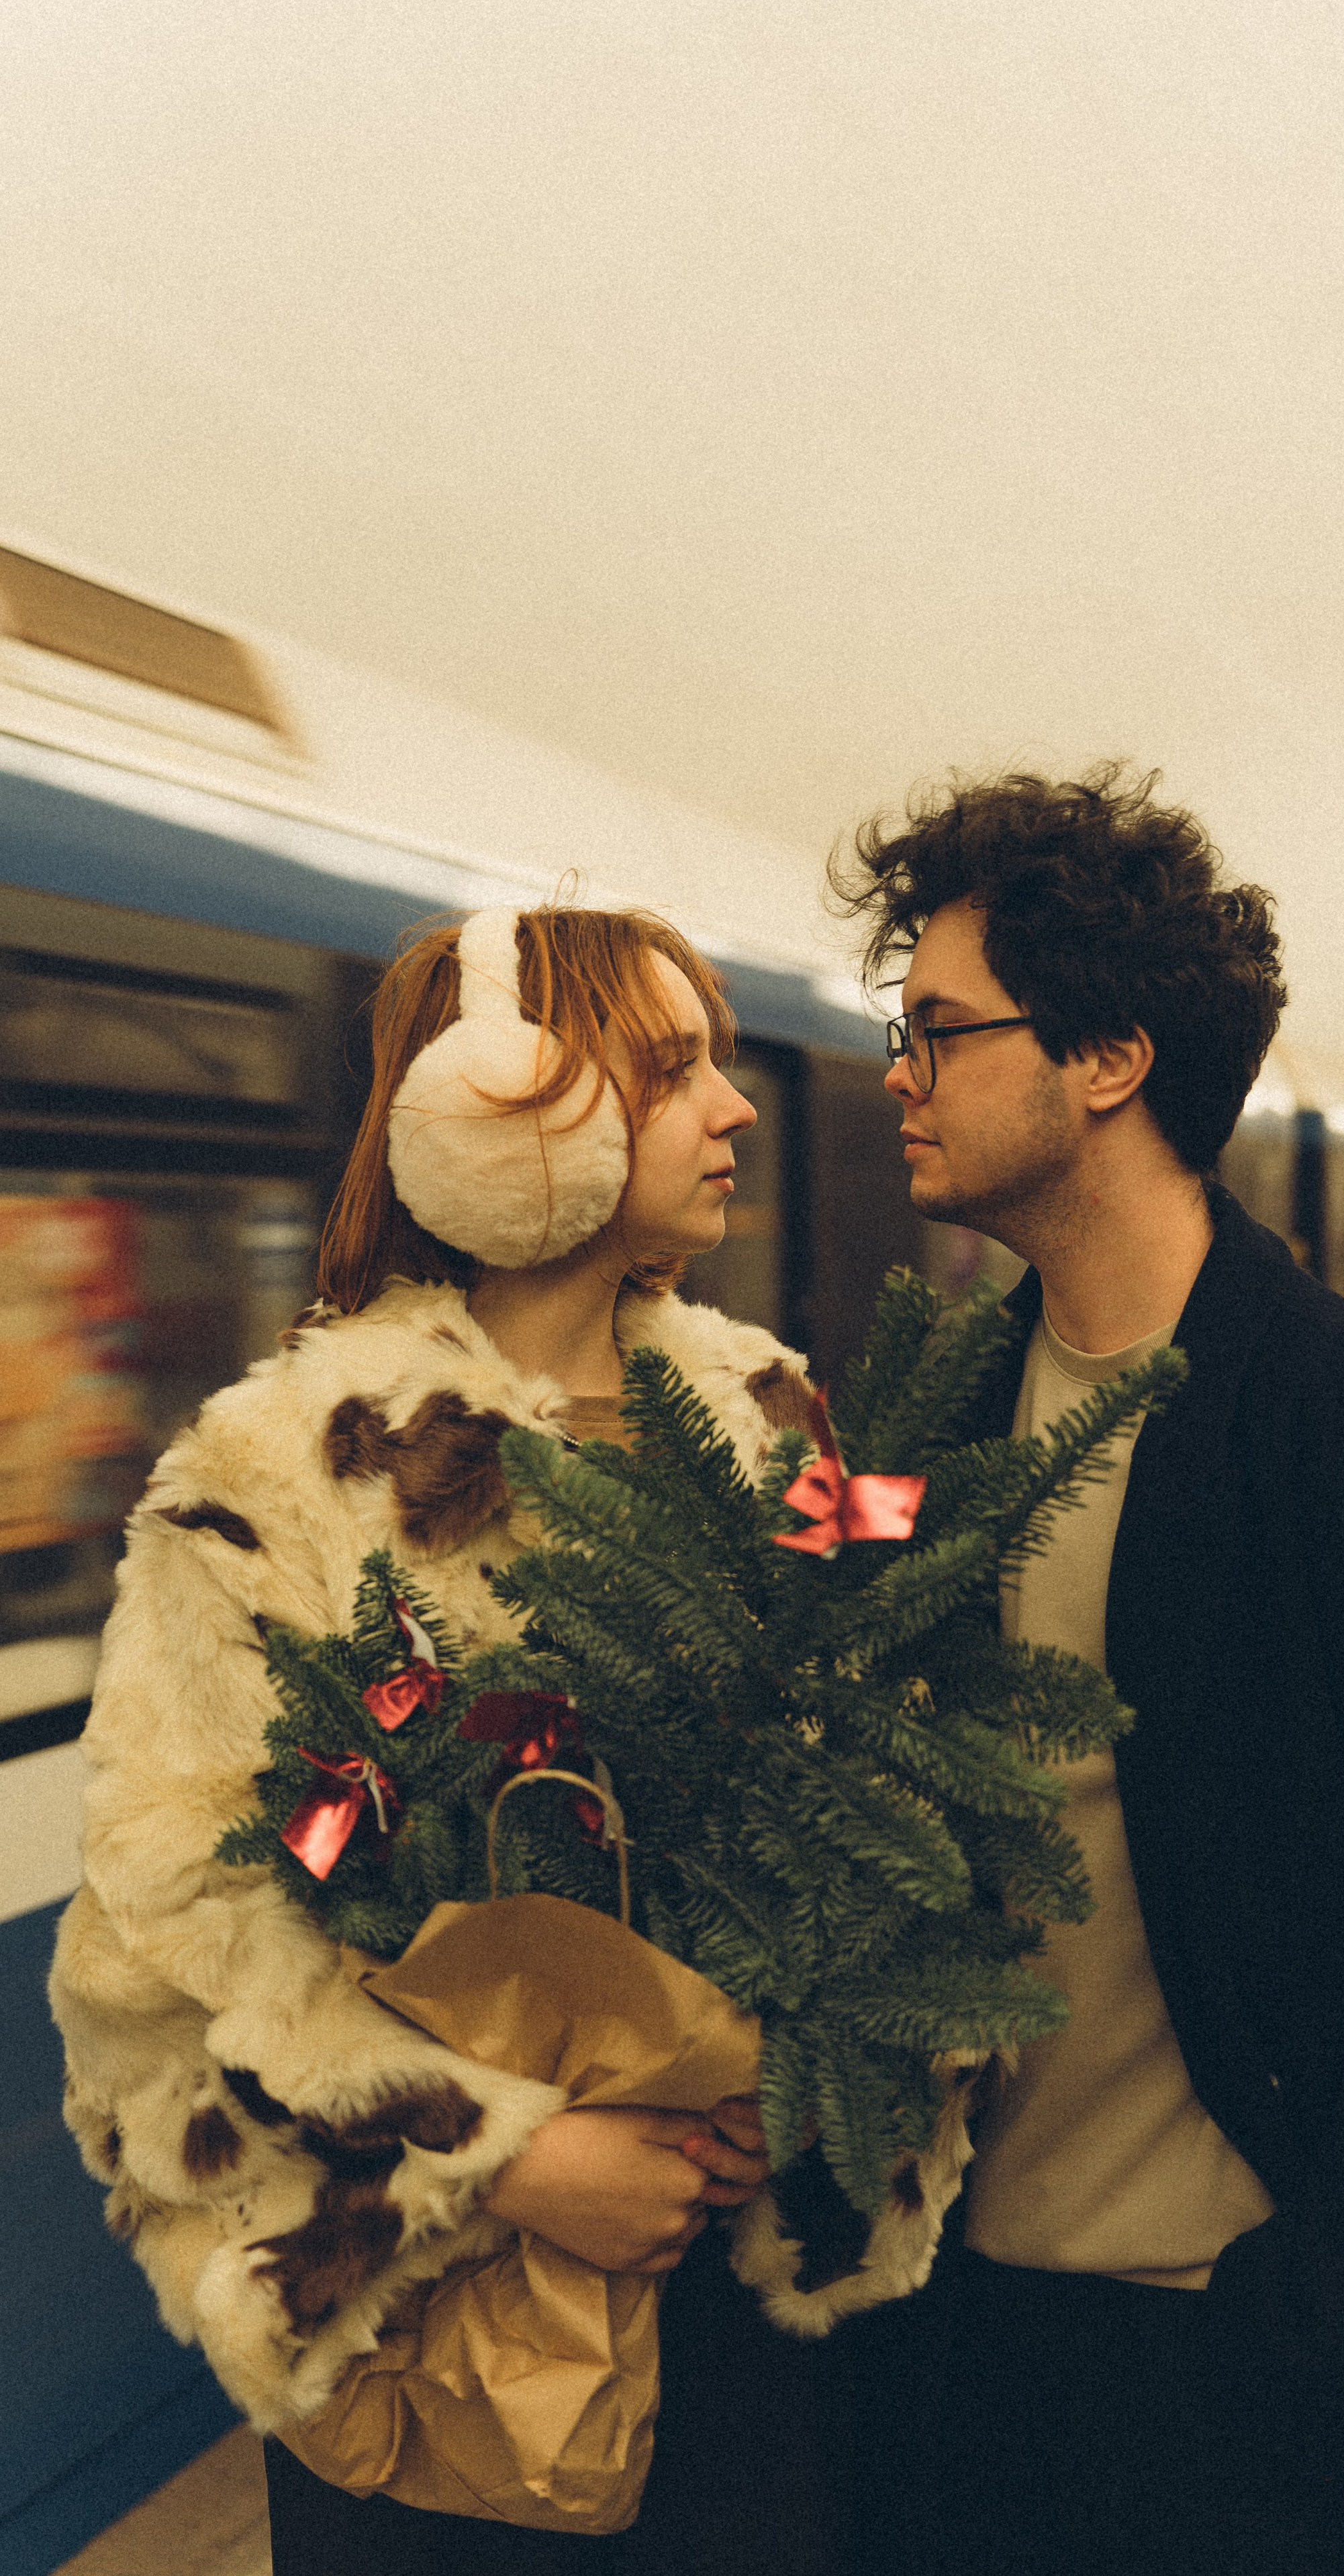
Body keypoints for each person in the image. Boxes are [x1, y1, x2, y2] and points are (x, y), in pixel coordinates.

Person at [48, 902, 953, 2576]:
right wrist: (515, 2159)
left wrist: (809, 2073)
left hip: (743, 2297)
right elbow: (171, 1933)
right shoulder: (275, 1472)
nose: (735, 1112)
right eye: (676, 1071)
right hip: (416, 2330)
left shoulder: (778, 1421)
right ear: (504, 1117)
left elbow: (914, 1775)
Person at [830, 767, 1344, 2576]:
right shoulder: (939, 1430)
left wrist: (1309, 2332)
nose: (903, 1072)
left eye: (942, 1030)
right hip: (979, 2357)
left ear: (1106, 1059)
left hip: (1251, 2365)